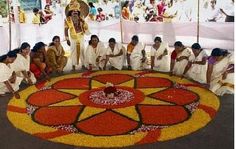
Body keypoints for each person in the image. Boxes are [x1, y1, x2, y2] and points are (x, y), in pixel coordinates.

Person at [64, 0, 89, 71]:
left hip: (81, 36)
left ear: (78, 12)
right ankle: (73, 65)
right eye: (73, 11)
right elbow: (65, 30)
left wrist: (83, 22)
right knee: (73, 51)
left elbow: (85, 28)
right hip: (73, 38)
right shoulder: (67, 20)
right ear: (70, 12)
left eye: (76, 11)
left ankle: (83, 64)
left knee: (82, 50)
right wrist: (67, 39)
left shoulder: (81, 19)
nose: (75, 13)